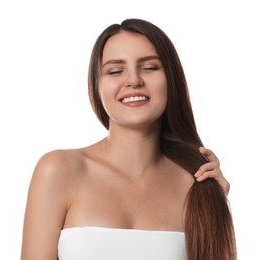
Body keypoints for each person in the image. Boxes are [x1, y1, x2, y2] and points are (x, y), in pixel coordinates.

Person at [21, 18, 236, 260]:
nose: (133, 80)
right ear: (97, 86)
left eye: (150, 67)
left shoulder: (197, 184)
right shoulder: (59, 169)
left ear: (171, 80)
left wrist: (217, 202)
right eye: (115, 71)